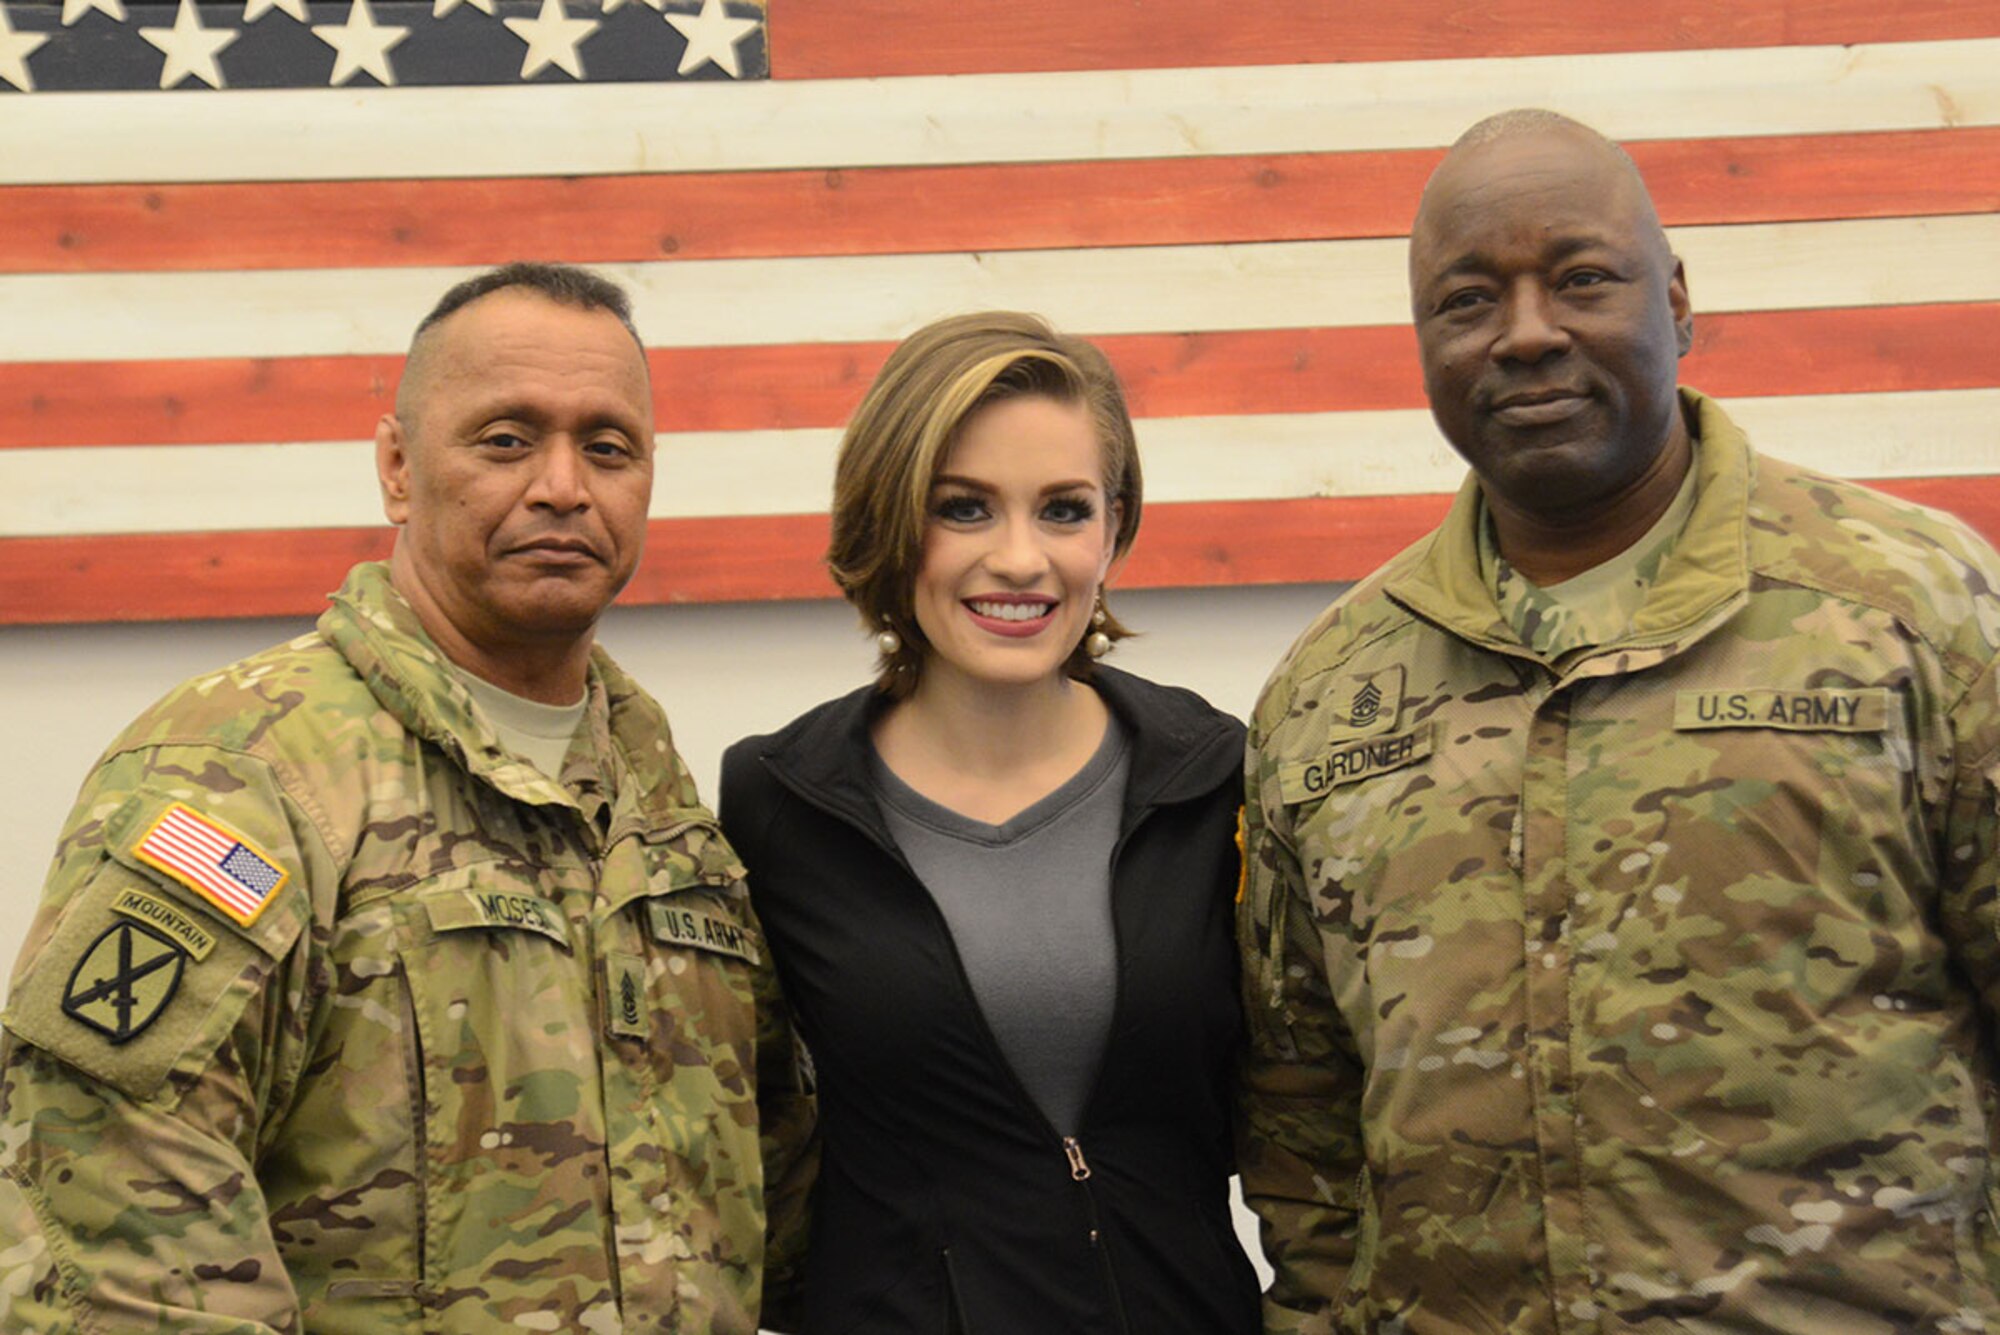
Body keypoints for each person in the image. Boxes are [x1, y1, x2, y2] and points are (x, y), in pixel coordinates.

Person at [1238, 108, 2000, 1331]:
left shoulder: (1911, 611)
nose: (1527, 333)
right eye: (1468, 299)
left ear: (1678, 301)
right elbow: (1299, 1117)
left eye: (1581, 279)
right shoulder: (1329, 697)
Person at [0, 261, 811, 1332]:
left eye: (607, 447)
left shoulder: (664, 812)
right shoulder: (244, 769)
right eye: (506, 440)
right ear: (396, 466)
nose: (563, 484)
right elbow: (105, 1202)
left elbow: (777, 1188)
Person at [720, 311, 1261, 1333]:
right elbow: (748, 1141)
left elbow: (1300, 1113)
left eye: (1062, 510)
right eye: (963, 509)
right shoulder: (775, 802)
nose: (1020, 559)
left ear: (1114, 527)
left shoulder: (1216, 778)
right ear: (888, 521)